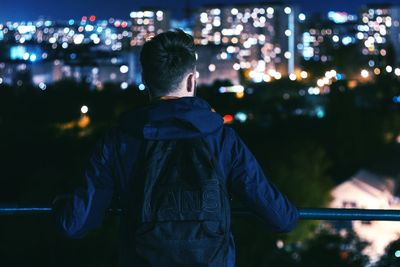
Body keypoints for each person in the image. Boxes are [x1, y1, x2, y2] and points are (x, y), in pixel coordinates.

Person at [54, 29, 299, 267]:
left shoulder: (118, 141)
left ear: (145, 81)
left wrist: (61, 204)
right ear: (192, 79)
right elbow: (281, 218)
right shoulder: (223, 140)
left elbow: (75, 224)